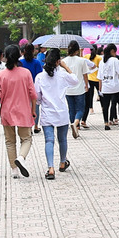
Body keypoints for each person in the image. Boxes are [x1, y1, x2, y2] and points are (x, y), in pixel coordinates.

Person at [0, 44, 37, 178]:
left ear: (5, 57)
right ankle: (21, 158)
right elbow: (33, 94)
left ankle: (14, 170)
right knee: (26, 139)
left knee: (10, 141)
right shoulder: (26, 73)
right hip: (24, 111)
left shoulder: (1, 75)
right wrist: (33, 110)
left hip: (7, 112)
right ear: (19, 55)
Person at [35, 48, 75, 179]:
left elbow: (37, 97)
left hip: (47, 113)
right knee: (62, 139)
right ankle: (63, 163)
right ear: (58, 61)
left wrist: (41, 102)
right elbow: (75, 81)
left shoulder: (40, 77)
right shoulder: (63, 75)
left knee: (49, 140)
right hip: (62, 112)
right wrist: (66, 67)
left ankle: (50, 168)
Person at [62, 40, 95, 137]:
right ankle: (76, 123)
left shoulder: (64, 61)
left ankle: (75, 128)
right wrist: (86, 85)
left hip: (68, 89)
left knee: (71, 109)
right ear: (77, 50)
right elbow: (85, 75)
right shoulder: (82, 60)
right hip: (79, 88)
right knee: (80, 109)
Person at [19, 43, 44, 133]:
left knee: (25, 106)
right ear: (33, 51)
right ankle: (36, 126)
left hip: (23, 86)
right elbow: (39, 76)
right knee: (35, 106)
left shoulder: (20, 62)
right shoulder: (36, 62)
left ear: (24, 51)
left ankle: (28, 125)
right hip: (34, 86)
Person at [98, 43, 119, 130]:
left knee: (105, 106)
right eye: (115, 52)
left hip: (105, 86)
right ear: (112, 51)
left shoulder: (101, 61)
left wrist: (100, 88)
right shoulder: (115, 60)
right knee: (114, 103)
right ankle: (114, 119)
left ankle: (106, 123)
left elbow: (99, 77)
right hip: (115, 86)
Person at [82, 47, 102, 128]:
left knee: (90, 96)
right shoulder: (99, 58)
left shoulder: (86, 56)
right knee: (100, 94)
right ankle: (103, 107)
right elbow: (100, 68)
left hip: (89, 78)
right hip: (97, 79)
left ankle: (91, 109)